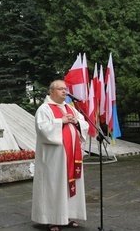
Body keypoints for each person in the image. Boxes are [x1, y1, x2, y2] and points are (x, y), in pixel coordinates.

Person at [31, 80, 89, 231]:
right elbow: (42, 129)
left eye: (65, 89)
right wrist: (60, 122)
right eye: (61, 89)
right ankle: (52, 219)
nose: (64, 91)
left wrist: (77, 122)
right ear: (51, 91)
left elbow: (84, 124)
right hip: (54, 158)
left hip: (71, 155)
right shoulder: (44, 109)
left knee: (69, 184)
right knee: (54, 185)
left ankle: (67, 216)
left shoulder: (70, 108)